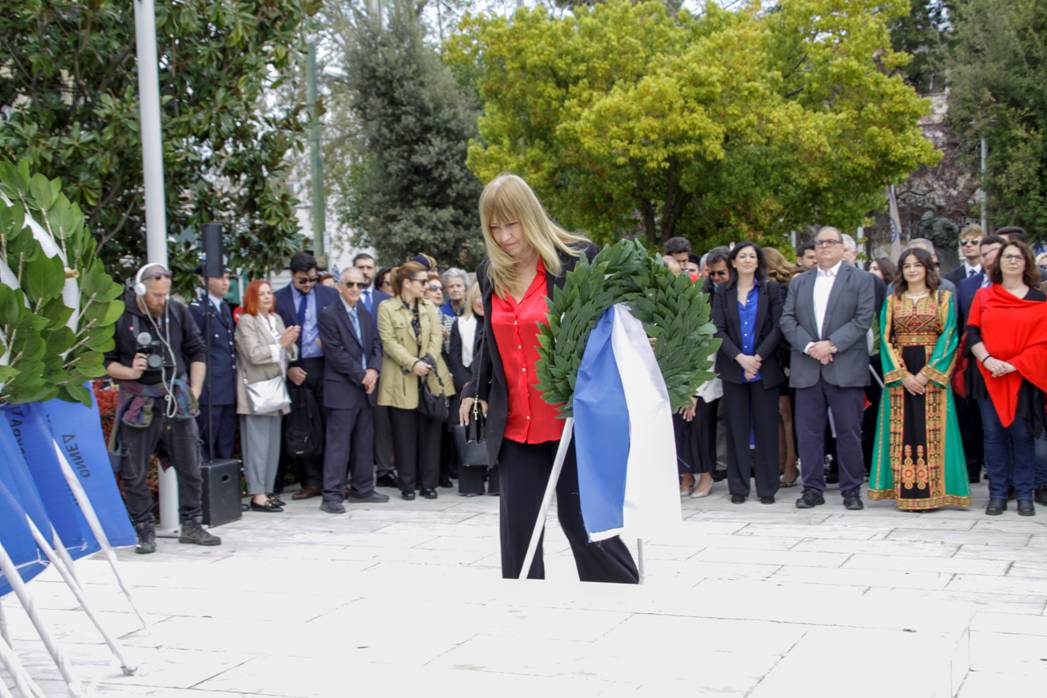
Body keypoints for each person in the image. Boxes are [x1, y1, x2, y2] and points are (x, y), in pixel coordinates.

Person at [459, 173, 639, 583]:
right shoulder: (490, 271)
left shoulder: (577, 259)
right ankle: (523, 613)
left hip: (573, 420)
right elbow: (492, 337)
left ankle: (623, 600)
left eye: (512, 224)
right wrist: (475, 387)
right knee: (519, 537)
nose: (504, 237)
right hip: (516, 426)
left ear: (531, 216)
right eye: (494, 228)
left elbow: (610, 330)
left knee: (585, 526)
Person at [105, 263, 220, 553]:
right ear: (140, 288)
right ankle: (144, 529)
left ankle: (192, 524)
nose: (161, 300)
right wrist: (130, 371)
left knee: (191, 466)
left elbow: (197, 350)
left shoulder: (177, 311)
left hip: (175, 399)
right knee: (133, 471)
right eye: (156, 295)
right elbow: (105, 362)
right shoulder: (119, 314)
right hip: (139, 401)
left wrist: (194, 390)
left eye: (165, 294)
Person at [780, 226, 875, 510]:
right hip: (807, 367)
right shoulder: (800, 282)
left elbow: (862, 320)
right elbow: (787, 320)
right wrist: (811, 347)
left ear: (843, 248)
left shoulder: (861, 279)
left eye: (831, 242)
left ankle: (851, 490)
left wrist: (831, 345)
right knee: (808, 433)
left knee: (849, 431)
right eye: (820, 243)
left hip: (845, 367)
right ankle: (812, 489)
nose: (824, 247)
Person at [868, 248, 970, 510]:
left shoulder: (943, 298)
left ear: (927, 268)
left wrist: (926, 374)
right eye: (907, 266)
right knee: (901, 429)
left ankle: (936, 492)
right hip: (901, 371)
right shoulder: (893, 300)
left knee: (934, 429)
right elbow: (886, 338)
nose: (912, 270)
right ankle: (903, 491)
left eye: (917, 265)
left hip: (932, 369)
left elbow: (949, 335)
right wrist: (902, 375)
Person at [966, 240, 1047, 516]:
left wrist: (1014, 365)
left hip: (1023, 376)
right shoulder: (984, 296)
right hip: (988, 375)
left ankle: (1025, 495)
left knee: (1023, 435)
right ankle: (998, 495)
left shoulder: (1039, 299)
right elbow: (972, 333)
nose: (1012, 261)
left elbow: (1042, 342)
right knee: (993, 435)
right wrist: (988, 360)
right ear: (998, 262)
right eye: (1007, 256)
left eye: (1018, 257)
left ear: (1027, 263)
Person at [712, 242, 785, 504]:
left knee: (767, 429)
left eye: (752, 256)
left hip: (764, 368)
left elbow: (778, 327)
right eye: (742, 256)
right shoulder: (723, 292)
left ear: (758, 262)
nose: (747, 260)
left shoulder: (770, 289)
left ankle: (767, 488)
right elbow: (717, 329)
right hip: (734, 369)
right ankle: (738, 487)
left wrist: (758, 357)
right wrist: (740, 358)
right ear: (733, 262)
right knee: (736, 430)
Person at [377, 262, 456, 500]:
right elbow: (388, 342)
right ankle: (408, 485)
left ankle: (429, 484)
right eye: (422, 281)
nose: (426, 286)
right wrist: (413, 364)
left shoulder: (428, 306)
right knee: (404, 436)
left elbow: (436, 336)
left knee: (431, 434)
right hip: (402, 378)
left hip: (430, 376)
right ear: (407, 283)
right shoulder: (386, 307)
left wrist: (427, 360)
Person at [318, 268, 388, 513]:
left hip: (365, 388)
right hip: (342, 388)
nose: (355, 289)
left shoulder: (364, 312)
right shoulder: (329, 314)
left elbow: (376, 344)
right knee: (338, 445)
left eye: (360, 285)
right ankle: (331, 495)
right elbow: (335, 353)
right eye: (350, 284)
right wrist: (362, 375)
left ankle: (362, 489)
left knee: (363, 442)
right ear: (339, 286)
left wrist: (374, 370)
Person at [274, 252, 340, 499]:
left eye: (313, 279)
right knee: (303, 424)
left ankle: (333, 479)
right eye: (303, 280)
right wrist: (289, 366)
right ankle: (311, 481)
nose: (308, 284)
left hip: (325, 366)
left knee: (329, 423)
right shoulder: (279, 299)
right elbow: (274, 337)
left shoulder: (329, 295)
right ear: (292, 276)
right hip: (295, 367)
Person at [235, 280, 299, 513]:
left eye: (269, 293)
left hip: (276, 388)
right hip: (257, 390)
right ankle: (257, 494)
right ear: (251, 297)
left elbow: (289, 353)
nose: (266, 297)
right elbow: (253, 354)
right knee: (257, 445)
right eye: (261, 293)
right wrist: (280, 343)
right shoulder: (247, 321)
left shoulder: (276, 319)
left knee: (272, 444)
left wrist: (290, 344)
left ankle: (267, 490)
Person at [188, 262, 237, 461]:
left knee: (226, 445)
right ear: (203, 280)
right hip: (210, 389)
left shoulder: (224, 307)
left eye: (227, 278)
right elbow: (194, 350)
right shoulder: (197, 309)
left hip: (228, 388)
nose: (225, 283)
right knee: (206, 445)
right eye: (220, 278)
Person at [763, 246, 799, 486]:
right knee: (776, 413)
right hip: (771, 358)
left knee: (785, 413)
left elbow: (784, 326)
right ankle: (780, 461)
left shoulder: (785, 289)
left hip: (785, 357)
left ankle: (790, 466)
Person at [449, 283, 488, 495]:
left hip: (493, 387)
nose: (480, 302)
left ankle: (497, 484)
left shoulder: (499, 321)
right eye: (476, 297)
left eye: (484, 297)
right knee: (468, 431)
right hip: (466, 387)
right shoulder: (460, 324)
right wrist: (469, 387)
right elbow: (454, 360)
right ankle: (471, 485)